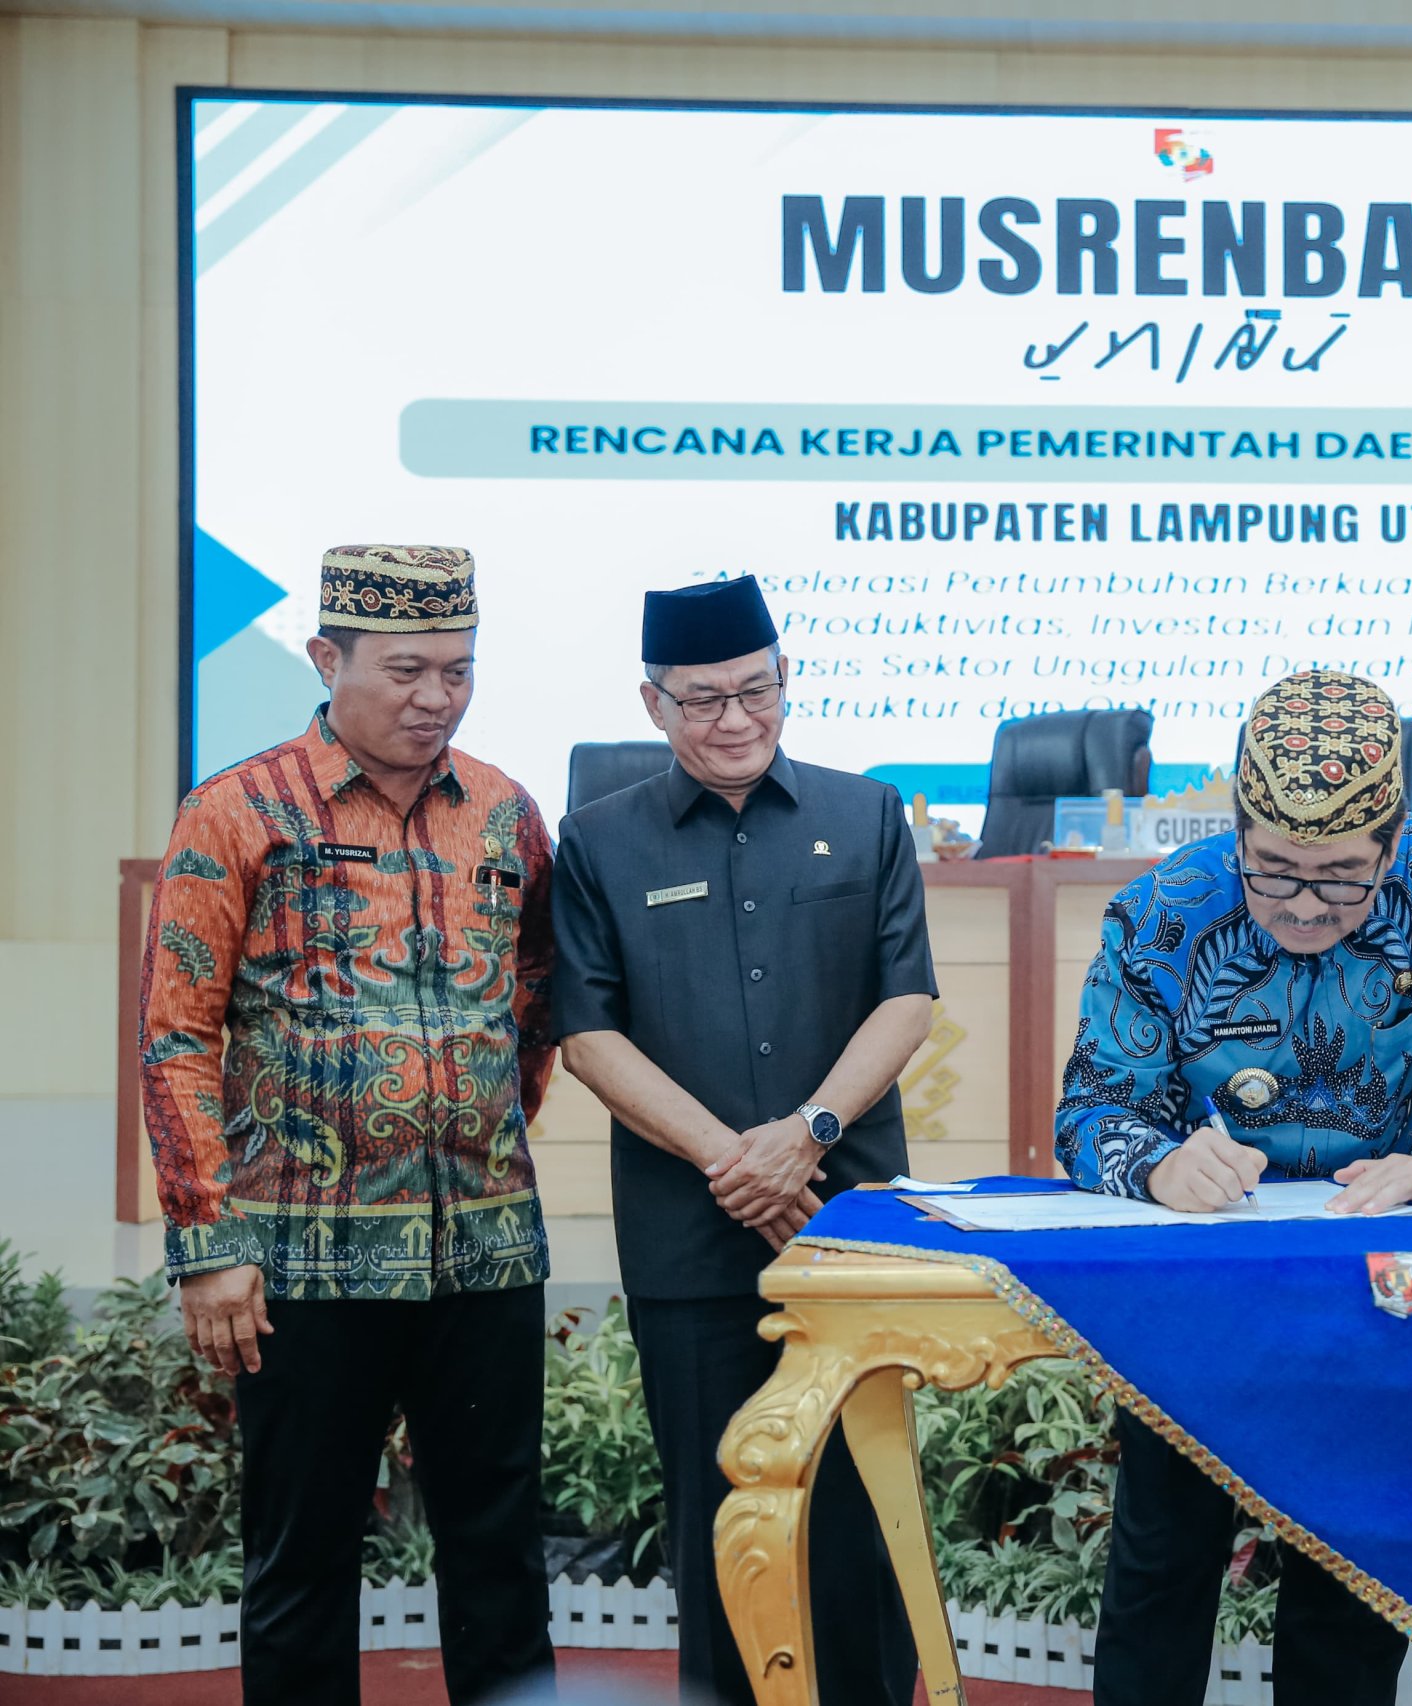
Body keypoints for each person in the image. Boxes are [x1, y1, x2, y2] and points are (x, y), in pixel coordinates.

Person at [1056, 668, 1412, 1706]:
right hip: (1203, 1274)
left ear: (1392, 845)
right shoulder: (1165, 907)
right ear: (1239, 833)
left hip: (1377, 1262)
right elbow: (1090, 1109)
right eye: (1274, 871)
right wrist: (1156, 1162)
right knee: (1165, 1551)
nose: (1304, 905)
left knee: (1352, 1565)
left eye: (1343, 877)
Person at [137, 544, 556, 1705]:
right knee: (303, 1561)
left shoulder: (507, 812)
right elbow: (176, 1032)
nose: (436, 698)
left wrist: (477, 1127)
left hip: (485, 1254)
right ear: (328, 658)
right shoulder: (237, 809)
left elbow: (534, 998)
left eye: (458, 670)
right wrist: (208, 1240)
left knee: (501, 1559)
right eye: (406, 670)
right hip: (298, 1262)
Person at [549, 575, 932, 1706]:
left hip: (848, 1226)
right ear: (654, 704)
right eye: (704, 700)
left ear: (785, 679)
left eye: (756, 691)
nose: (735, 720)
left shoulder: (867, 814)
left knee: (861, 1516)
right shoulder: (598, 840)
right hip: (691, 1239)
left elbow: (906, 999)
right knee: (722, 1524)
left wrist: (806, 1135)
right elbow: (587, 1036)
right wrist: (738, 1161)